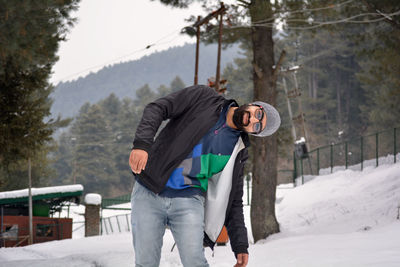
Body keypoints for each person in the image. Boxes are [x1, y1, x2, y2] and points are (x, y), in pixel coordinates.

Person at [129, 85, 280, 267]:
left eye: (257, 127)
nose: (253, 120)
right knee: (145, 262)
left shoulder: (237, 151)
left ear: (253, 133)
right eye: (259, 114)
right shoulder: (204, 98)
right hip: (149, 190)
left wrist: (240, 244)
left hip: (188, 200)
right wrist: (142, 144)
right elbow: (158, 108)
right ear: (256, 105)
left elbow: (233, 201)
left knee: (195, 262)